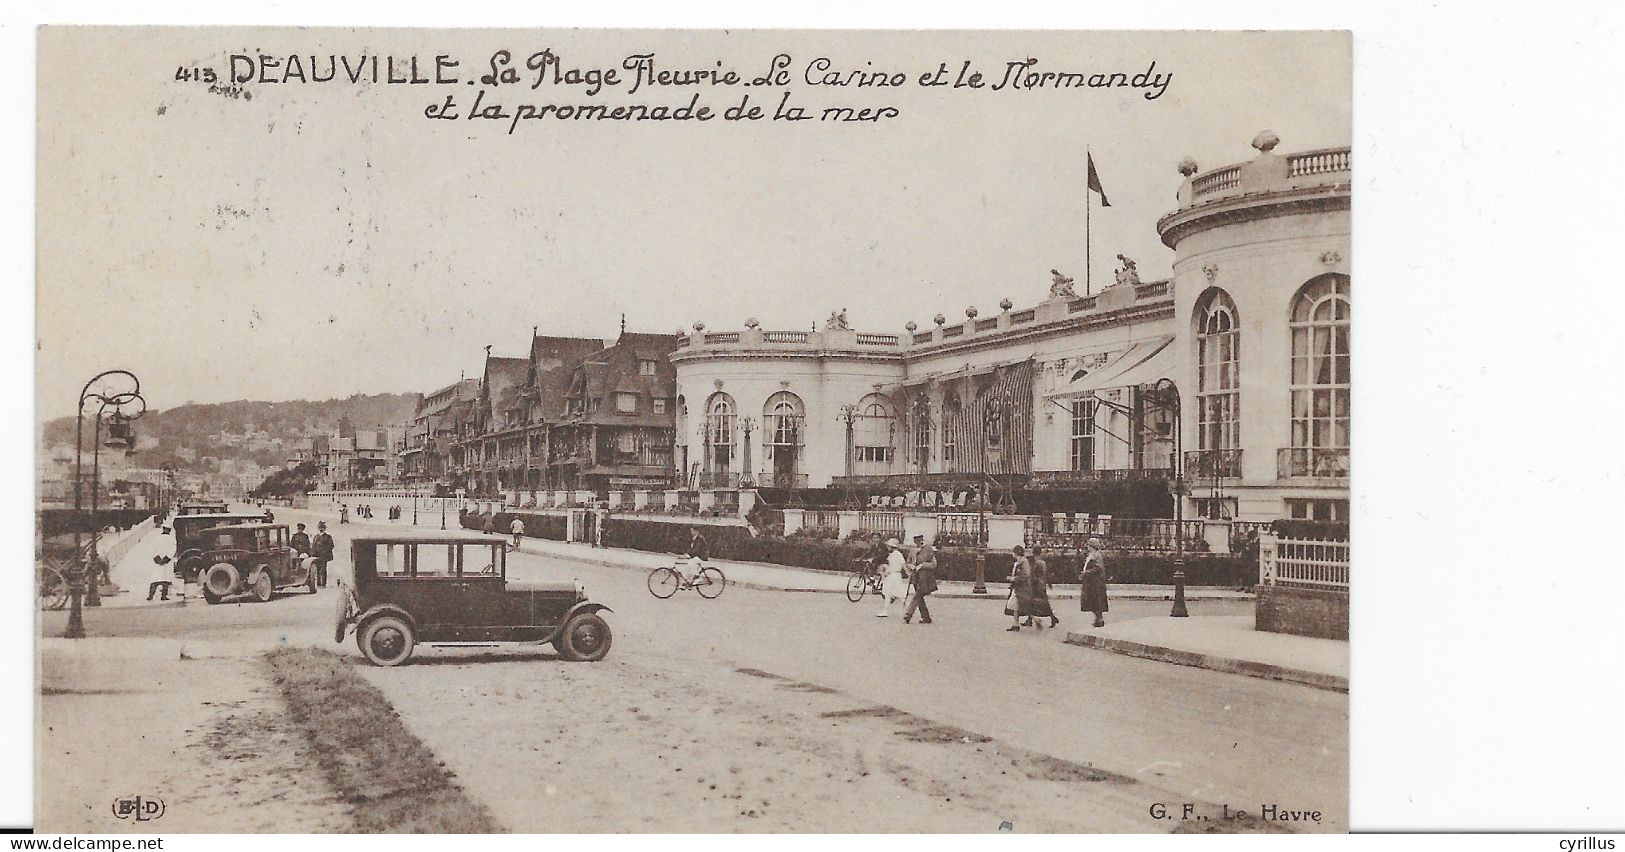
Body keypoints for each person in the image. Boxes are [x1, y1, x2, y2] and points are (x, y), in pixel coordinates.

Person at [903, 533, 936, 625]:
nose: (918, 541)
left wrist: (922, 565)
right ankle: (926, 617)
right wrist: (911, 566)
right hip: (915, 578)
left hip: (925, 578)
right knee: (919, 597)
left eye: (920, 539)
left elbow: (933, 564)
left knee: (917, 596)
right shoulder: (912, 551)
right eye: (916, 539)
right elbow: (908, 562)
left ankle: (908, 615)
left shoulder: (928, 550)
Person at [1023, 545, 1059, 629]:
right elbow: (1046, 574)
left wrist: (1030, 583)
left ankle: (1052, 618)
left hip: (1037, 586)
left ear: (1033, 552)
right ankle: (1030, 620)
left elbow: (1036, 576)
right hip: (1042, 585)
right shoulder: (1042, 562)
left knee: (1038, 603)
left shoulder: (1037, 563)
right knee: (1035, 603)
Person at [1081, 537, 1110, 628]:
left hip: (1096, 582)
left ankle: (1099, 619)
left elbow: (1098, 568)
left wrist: (1086, 572)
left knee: (1096, 600)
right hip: (1091, 582)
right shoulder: (1092, 554)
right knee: (1092, 600)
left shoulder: (1097, 555)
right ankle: (1098, 618)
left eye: (1089, 545)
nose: (1087, 547)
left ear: (1092, 546)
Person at [876, 538, 907, 618]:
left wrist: (908, 573)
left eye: (889, 546)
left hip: (895, 575)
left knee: (899, 594)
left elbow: (903, 564)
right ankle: (885, 611)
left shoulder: (898, 554)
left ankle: (907, 610)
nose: (887, 547)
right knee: (887, 593)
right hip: (891, 575)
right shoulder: (891, 555)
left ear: (892, 546)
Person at [311, 521, 335, 588]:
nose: (321, 529)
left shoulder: (328, 537)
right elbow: (313, 546)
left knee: (323, 569)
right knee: (317, 569)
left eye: (322, 528)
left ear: (324, 529)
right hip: (317, 555)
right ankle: (318, 584)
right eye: (320, 528)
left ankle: (323, 584)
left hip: (324, 556)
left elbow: (331, 545)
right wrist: (313, 553)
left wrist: (325, 551)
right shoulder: (316, 537)